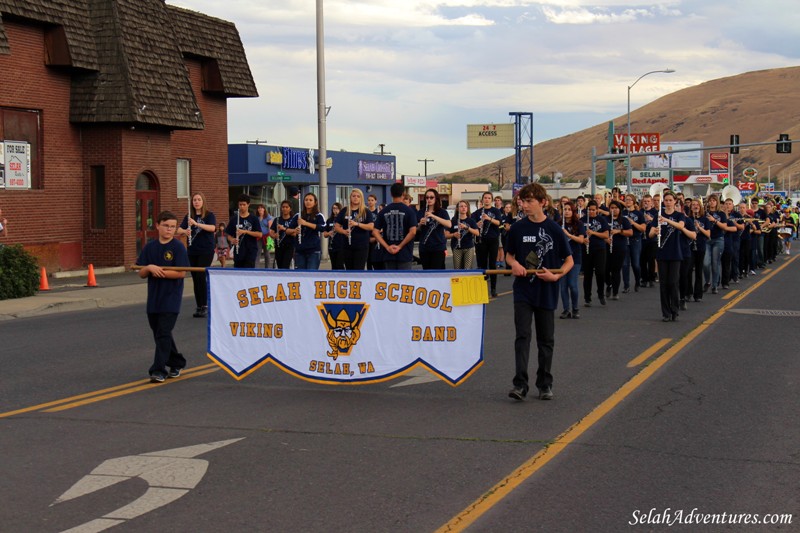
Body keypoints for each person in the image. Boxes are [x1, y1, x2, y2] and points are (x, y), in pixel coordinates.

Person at [505, 183, 574, 402]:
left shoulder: (554, 229)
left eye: (529, 201)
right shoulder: (517, 228)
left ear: (542, 202)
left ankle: (545, 384)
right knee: (522, 336)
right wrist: (514, 264)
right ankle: (520, 385)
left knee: (546, 340)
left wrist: (557, 276)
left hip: (547, 290)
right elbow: (509, 255)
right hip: (523, 291)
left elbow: (569, 260)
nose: (524, 205)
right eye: (522, 202)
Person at [136, 211, 190, 383]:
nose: (169, 230)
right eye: (166, 226)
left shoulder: (178, 247)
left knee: (163, 332)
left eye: (173, 227)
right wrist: (150, 267)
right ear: (158, 225)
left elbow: (181, 274)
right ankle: (177, 361)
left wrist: (162, 272)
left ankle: (158, 370)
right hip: (154, 299)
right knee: (159, 333)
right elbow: (141, 273)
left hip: (171, 299)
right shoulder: (150, 248)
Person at [648, 191, 688, 321]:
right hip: (662, 253)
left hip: (675, 253)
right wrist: (655, 231)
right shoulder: (658, 216)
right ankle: (666, 313)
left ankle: (674, 309)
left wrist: (665, 220)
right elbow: (650, 234)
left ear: (675, 201)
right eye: (666, 200)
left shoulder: (679, 215)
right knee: (664, 284)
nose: (668, 202)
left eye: (671, 200)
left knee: (673, 282)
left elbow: (681, 226)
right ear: (663, 202)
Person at [177, 192, 216, 318]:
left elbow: (212, 228)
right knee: (195, 278)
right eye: (194, 200)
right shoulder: (189, 216)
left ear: (203, 201)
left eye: (199, 200)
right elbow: (178, 230)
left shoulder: (209, 215)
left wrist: (196, 224)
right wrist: (185, 231)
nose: (196, 202)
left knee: (200, 276)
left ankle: (205, 305)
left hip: (206, 250)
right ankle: (199, 305)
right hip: (192, 251)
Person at [372, 182, 417, 270]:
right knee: (404, 282)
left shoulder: (384, 211)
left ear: (391, 194)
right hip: (405, 253)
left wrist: (387, 247)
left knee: (391, 281)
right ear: (403, 194)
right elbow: (413, 231)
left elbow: (375, 232)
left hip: (388, 253)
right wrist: (400, 246)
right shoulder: (409, 211)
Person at [472, 191, 504, 297]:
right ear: (482, 200)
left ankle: (493, 289)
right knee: (482, 265)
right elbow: (472, 226)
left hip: (493, 239)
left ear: (491, 200)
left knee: (492, 265)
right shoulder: (477, 212)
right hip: (481, 240)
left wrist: (489, 218)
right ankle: (482, 289)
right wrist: (477, 224)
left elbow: (499, 223)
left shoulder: (495, 211)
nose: (487, 200)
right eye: (485, 198)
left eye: (489, 198)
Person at [335, 189, 375, 270]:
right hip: (347, 245)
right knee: (349, 270)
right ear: (350, 197)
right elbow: (336, 226)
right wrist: (343, 231)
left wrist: (357, 224)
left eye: (358, 196)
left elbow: (371, 226)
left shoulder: (365, 211)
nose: (355, 198)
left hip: (361, 246)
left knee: (358, 270)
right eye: (353, 196)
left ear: (361, 198)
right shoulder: (345, 210)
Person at [559, 201, 586, 319]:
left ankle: (575, 308)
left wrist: (568, 235)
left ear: (573, 211)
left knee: (572, 285)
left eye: (569, 209)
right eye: (565, 209)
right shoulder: (558, 224)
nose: (567, 211)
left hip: (575, 258)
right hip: (561, 258)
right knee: (563, 286)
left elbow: (581, 240)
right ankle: (566, 309)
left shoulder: (578, 224)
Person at [288, 192, 326, 270]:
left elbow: (322, 227)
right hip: (300, 250)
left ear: (315, 202)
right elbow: (288, 229)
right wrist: (294, 231)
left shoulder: (319, 215)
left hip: (313, 250)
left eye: (310, 200)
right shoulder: (298, 215)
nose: (308, 202)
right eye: (306, 200)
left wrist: (305, 223)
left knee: (311, 274)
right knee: (301, 274)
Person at [416, 188, 451, 270]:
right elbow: (415, 230)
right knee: (427, 272)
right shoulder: (421, 212)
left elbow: (449, 224)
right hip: (424, 247)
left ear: (436, 199)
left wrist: (433, 216)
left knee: (437, 271)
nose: (429, 199)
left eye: (431, 197)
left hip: (438, 247)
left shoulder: (442, 212)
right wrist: (420, 224)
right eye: (427, 197)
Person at [583, 200, 610, 307]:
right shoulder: (582, 220)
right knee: (588, 274)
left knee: (600, 272)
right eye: (590, 210)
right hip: (586, 250)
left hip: (599, 249)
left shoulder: (602, 220)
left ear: (597, 210)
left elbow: (606, 235)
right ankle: (587, 297)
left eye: (594, 210)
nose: (591, 212)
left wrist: (593, 232)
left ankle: (600, 294)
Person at [605, 200, 632, 300]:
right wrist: (606, 238)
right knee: (605, 270)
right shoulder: (605, 219)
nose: (614, 210)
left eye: (616, 208)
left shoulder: (624, 220)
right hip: (606, 247)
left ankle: (615, 292)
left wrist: (619, 231)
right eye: (612, 208)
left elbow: (630, 232)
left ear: (619, 209)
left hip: (620, 248)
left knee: (616, 270)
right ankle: (609, 285)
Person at [226, 194, 262, 269]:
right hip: (238, 251)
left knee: (248, 272)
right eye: (240, 205)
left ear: (248, 205)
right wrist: (232, 240)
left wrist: (245, 232)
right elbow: (228, 234)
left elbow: (259, 234)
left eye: (244, 205)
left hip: (250, 250)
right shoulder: (234, 219)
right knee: (238, 272)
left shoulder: (253, 218)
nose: (242, 207)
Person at [702, 194, 728, 294]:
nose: (712, 202)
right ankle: (708, 281)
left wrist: (714, 221)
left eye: (714, 200)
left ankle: (715, 285)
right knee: (706, 263)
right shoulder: (704, 213)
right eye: (710, 200)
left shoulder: (721, 214)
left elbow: (724, 227)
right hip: (707, 239)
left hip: (718, 239)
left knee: (715, 263)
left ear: (717, 202)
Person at [687, 199, 710, 302]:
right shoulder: (688, 219)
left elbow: (708, 234)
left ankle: (698, 295)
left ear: (700, 207)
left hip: (700, 246)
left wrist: (699, 228)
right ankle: (688, 292)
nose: (695, 206)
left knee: (699, 271)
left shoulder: (705, 219)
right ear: (691, 207)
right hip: (690, 246)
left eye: (697, 205)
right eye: (693, 205)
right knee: (688, 269)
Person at [445, 200, 479, 269]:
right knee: (457, 269)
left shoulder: (471, 220)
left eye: (465, 206)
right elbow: (446, 235)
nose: (463, 208)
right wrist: (453, 234)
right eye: (461, 206)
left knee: (467, 268)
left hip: (469, 247)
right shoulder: (453, 220)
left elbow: (477, 233)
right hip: (456, 248)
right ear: (457, 208)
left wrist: (467, 228)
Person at [622, 194, 645, 292]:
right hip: (624, 239)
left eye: (630, 200)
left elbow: (643, 228)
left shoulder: (639, 214)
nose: (628, 202)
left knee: (635, 263)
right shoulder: (622, 213)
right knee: (625, 264)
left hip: (635, 239)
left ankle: (637, 281)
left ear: (634, 202)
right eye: (626, 200)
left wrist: (633, 223)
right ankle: (626, 285)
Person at [270, 200, 296, 269]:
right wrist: (274, 235)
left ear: (290, 209)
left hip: (289, 246)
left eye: (286, 207)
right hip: (279, 246)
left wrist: (284, 229)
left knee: (285, 265)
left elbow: (295, 233)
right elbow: (271, 232)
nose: (284, 209)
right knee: (279, 266)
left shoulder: (293, 220)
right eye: (283, 207)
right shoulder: (277, 220)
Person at [324, 202, 345, 270]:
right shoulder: (329, 220)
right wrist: (329, 233)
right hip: (332, 246)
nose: (335, 210)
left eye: (337, 208)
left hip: (341, 245)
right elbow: (325, 234)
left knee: (339, 265)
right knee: (334, 266)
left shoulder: (343, 220)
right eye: (334, 208)